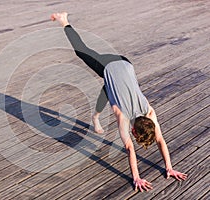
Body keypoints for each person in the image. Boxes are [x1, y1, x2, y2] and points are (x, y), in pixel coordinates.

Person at [51, 12, 187, 192]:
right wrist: (136, 178)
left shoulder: (149, 113)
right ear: (133, 130)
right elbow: (130, 149)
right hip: (109, 65)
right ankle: (64, 20)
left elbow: (160, 140)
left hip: (126, 63)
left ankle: (95, 117)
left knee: (109, 89)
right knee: (81, 50)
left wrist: (169, 168)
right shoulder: (122, 116)